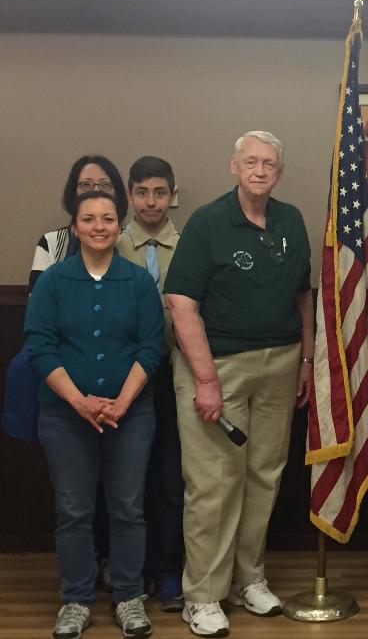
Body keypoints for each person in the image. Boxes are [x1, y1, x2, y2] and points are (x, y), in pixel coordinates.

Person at [164, 131, 314, 638]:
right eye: (250, 161)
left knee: (264, 475)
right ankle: (203, 596)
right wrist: (205, 380)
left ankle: (249, 578)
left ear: (279, 172)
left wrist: (308, 359)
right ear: (234, 167)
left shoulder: (290, 220)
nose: (259, 170)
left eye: (268, 163)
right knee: (213, 484)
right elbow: (182, 304)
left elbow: (302, 296)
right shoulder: (207, 222)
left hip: (281, 363)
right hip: (219, 367)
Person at [25, 190, 164, 639]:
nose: (99, 226)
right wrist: (79, 401)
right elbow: (40, 347)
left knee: (128, 507)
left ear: (118, 222)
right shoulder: (53, 282)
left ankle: (127, 596)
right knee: (73, 510)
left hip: (132, 414)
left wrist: (121, 402)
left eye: (107, 218)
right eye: (89, 219)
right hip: (65, 417)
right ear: (76, 225)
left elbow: (151, 346)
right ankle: (76, 600)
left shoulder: (139, 281)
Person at [115, 156, 185, 612]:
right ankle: (131, 571)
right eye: (141, 192)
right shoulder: (113, 243)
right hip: (128, 377)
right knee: (129, 480)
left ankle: (169, 571)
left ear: (173, 195)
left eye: (159, 192)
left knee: (172, 476)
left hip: (178, 372)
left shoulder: (193, 244)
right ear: (130, 195)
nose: (151, 201)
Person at [31, 155, 128, 292]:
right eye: (85, 185)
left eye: (105, 185)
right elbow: (38, 299)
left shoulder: (130, 239)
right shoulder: (50, 243)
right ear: (73, 191)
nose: (96, 191)